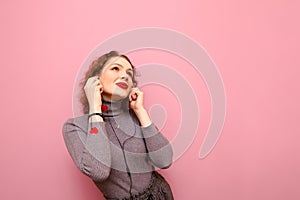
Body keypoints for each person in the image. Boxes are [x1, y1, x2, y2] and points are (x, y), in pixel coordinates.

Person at [62, 51, 174, 200]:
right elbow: (99, 171)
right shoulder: (74, 127)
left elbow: (165, 160)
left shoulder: (138, 117)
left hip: (160, 195)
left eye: (129, 74)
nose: (124, 76)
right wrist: (95, 108)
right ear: (95, 79)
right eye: (115, 68)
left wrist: (140, 111)